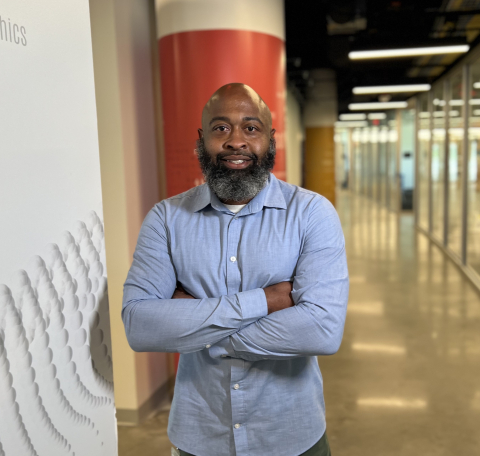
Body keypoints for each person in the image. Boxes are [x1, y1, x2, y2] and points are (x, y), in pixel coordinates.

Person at [122, 83, 349, 456]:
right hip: (201, 434)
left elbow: (322, 330)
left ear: (270, 139)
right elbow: (140, 325)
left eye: (251, 127)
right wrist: (266, 301)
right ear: (202, 140)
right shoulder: (166, 219)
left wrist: (199, 329)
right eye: (221, 128)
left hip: (290, 435)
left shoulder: (311, 213)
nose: (236, 141)